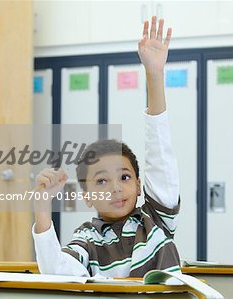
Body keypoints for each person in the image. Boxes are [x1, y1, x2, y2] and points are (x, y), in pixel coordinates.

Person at [32, 16, 181, 277]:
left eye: (124, 177)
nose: (115, 187)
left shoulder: (156, 220)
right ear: (87, 196)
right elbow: (56, 270)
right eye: (101, 181)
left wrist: (154, 73)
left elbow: (160, 153)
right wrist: (43, 207)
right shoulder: (88, 238)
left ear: (138, 185)